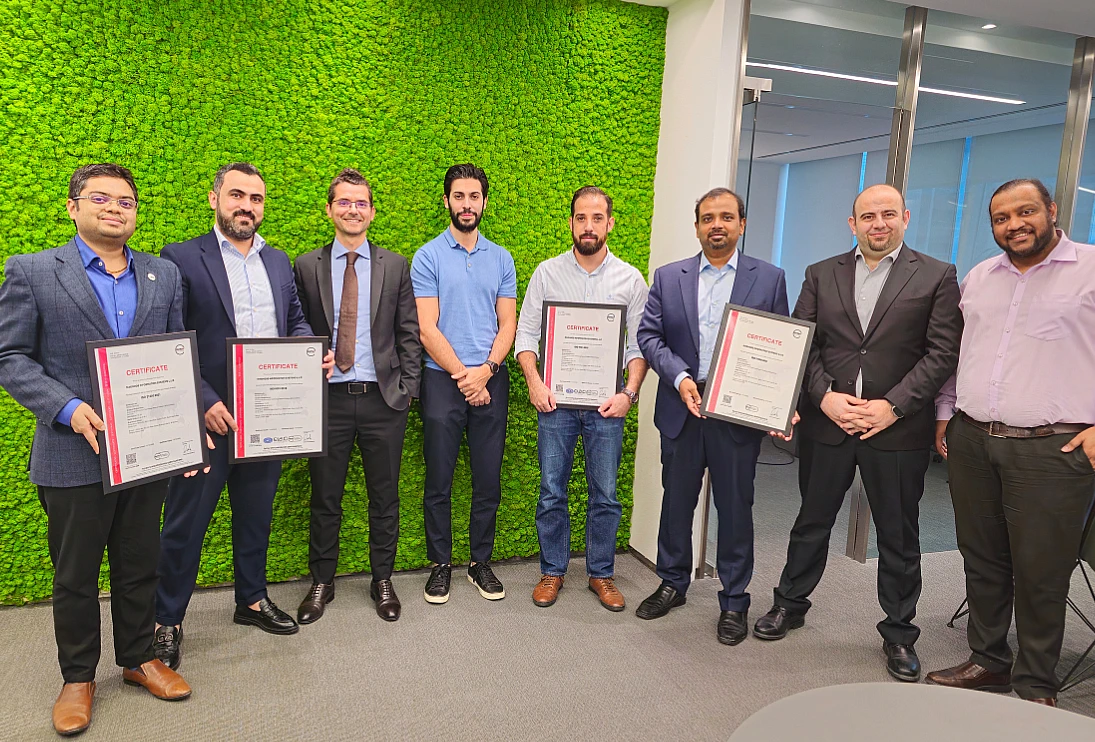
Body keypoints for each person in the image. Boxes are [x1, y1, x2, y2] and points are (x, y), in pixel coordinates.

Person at [0, 164, 197, 736]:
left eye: (127, 201)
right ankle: (78, 677)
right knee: (76, 573)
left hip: (146, 451)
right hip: (71, 451)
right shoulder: (33, 272)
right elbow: (10, 358)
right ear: (73, 207)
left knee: (140, 564)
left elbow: (175, 356)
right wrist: (65, 406)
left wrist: (185, 434)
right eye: (102, 199)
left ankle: (138, 658)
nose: (116, 208)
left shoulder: (163, 275)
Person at [753, 184, 962, 683]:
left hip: (896, 428)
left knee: (898, 532)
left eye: (888, 214)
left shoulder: (936, 276)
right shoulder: (821, 274)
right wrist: (823, 396)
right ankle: (790, 603)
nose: (878, 223)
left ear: (905, 217)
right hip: (831, 422)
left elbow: (941, 354)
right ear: (852, 224)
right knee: (811, 521)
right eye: (868, 216)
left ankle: (898, 632)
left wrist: (893, 407)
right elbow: (804, 342)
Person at [154, 163, 333, 669]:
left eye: (256, 198)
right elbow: (174, 338)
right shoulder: (182, 258)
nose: (246, 206)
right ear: (214, 199)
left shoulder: (277, 262)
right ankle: (166, 619)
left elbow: (295, 320)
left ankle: (251, 600)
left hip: (267, 418)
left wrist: (307, 350)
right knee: (186, 525)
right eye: (237, 195)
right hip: (208, 417)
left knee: (256, 517)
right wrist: (203, 399)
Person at [926, 178, 1095, 707]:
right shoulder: (980, 277)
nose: (1014, 225)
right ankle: (989, 660)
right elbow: (962, 353)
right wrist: (946, 411)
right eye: (1001, 218)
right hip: (973, 440)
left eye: (1025, 213)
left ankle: (1035, 683)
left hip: (1053, 449)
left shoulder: (1090, 269)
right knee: (983, 558)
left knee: (1041, 570)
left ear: (1051, 210)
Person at [635, 187, 790, 645]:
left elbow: (779, 344)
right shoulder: (668, 277)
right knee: (676, 502)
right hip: (683, 406)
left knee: (735, 507)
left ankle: (735, 600)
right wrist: (680, 378)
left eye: (726, 217)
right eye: (707, 218)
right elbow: (649, 336)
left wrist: (777, 405)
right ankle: (672, 583)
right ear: (697, 226)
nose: (716, 225)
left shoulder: (770, 279)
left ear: (742, 224)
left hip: (736, 413)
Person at [293, 169, 422, 624]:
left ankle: (382, 579)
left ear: (371, 211)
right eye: (344, 202)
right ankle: (321, 581)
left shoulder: (395, 265)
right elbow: (298, 328)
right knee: (325, 497)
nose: (353, 210)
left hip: (383, 401)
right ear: (329, 209)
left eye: (361, 203)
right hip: (326, 401)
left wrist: (407, 391)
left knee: (384, 497)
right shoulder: (307, 266)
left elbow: (409, 332)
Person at [514, 186, 649, 611]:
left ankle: (601, 574)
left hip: (608, 407)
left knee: (605, 493)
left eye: (596, 218)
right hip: (555, 404)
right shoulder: (547, 273)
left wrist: (629, 393)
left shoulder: (630, 280)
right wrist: (535, 383)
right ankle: (552, 571)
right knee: (552, 490)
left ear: (609, 223)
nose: (587, 226)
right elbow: (524, 336)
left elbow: (639, 346)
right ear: (571, 222)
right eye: (580, 218)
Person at [411, 163, 517, 603]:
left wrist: (486, 371)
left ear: (484, 202)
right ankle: (441, 565)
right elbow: (427, 328)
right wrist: (463, 376)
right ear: (447, 201)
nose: (467, 204)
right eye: (459, 196)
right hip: (442, 381)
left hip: (491, 377)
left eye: (474, 196)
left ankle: (480, 562)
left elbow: (508, 323)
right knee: (438, 479)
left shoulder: (502, 258)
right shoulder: (428, 256)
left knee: (487, 479)